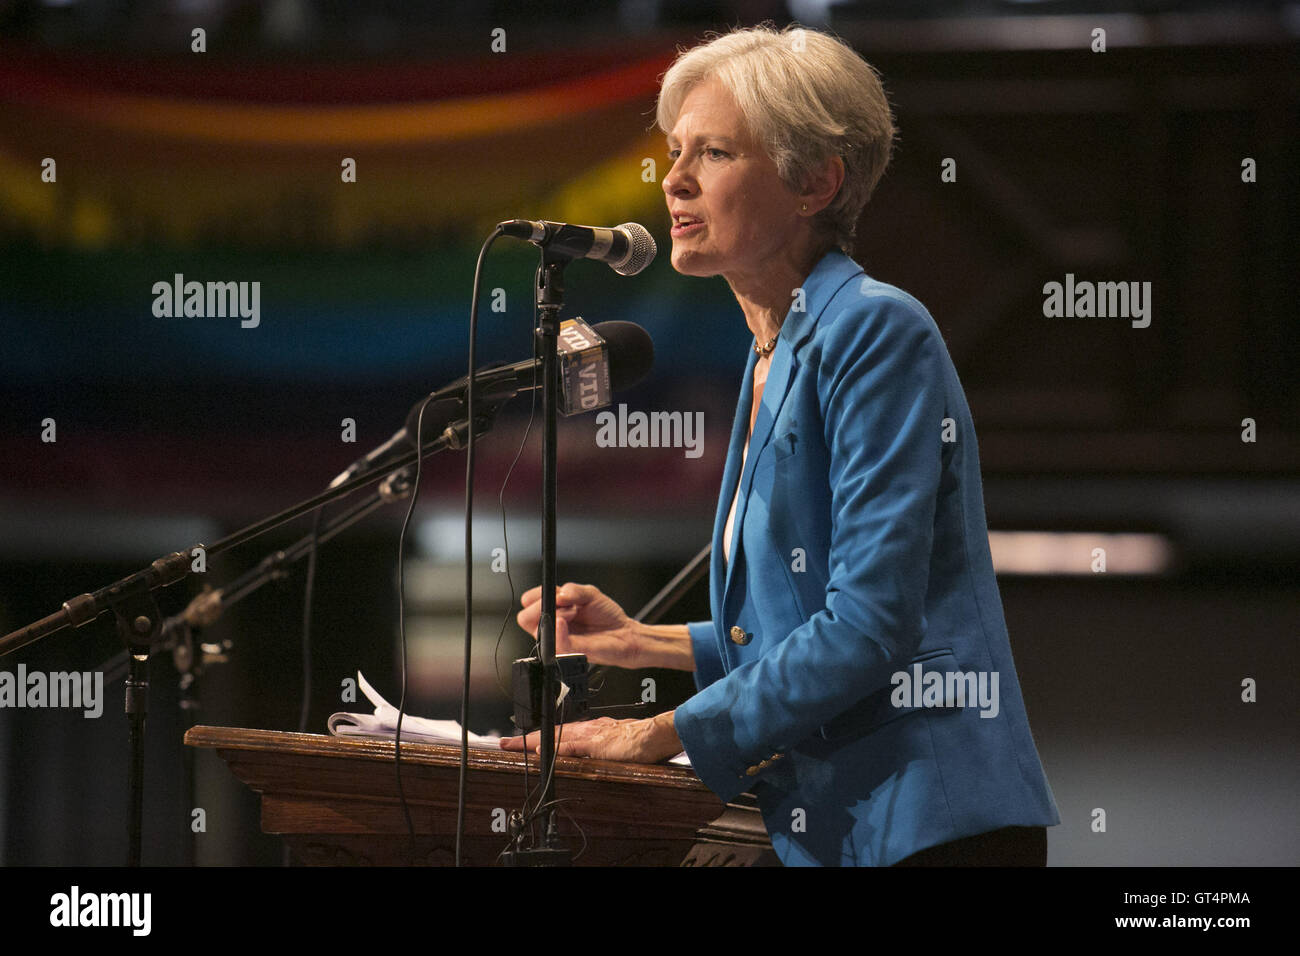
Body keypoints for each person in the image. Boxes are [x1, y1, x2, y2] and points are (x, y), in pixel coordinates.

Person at [501, 23, 1060, 866]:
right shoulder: (775, 349)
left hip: (932, 822)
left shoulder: (874, 328)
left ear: (816, 183)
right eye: (676, 150)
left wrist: (656, 731)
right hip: (846, 825)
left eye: (715, 153)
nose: (675, 179)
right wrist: (640, 642)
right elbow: (793, 620)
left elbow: (867, 627)